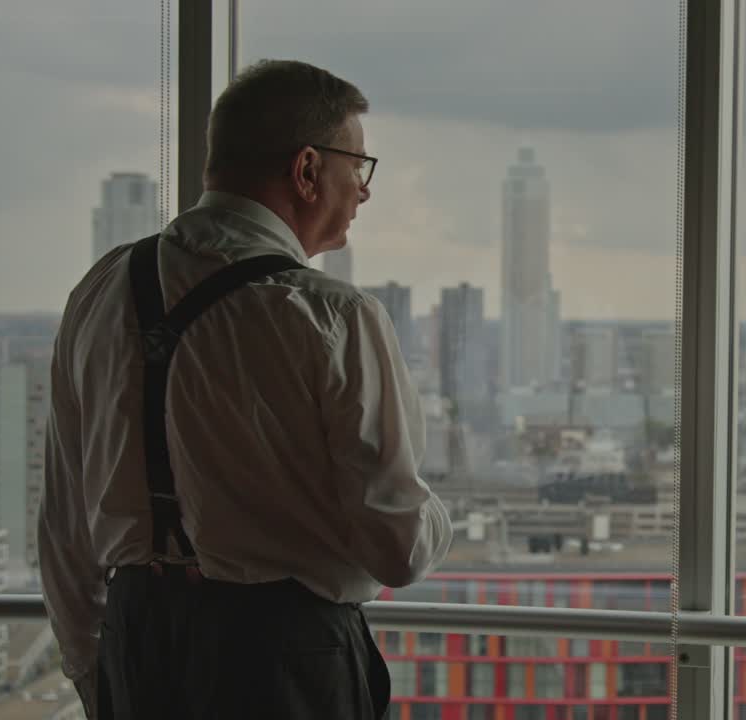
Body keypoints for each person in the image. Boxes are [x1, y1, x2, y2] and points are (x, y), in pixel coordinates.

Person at [39, 59, 453, 720]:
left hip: (136, 645)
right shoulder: (332, 315)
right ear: (307, 169)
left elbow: (64, 521)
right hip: (285, 656)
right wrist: (435, 510)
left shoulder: (101, 289)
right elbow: (397, 549)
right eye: (359, 166)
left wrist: (96, 675)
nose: (364, 190)